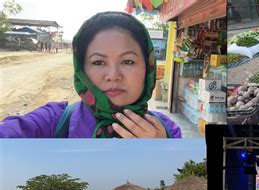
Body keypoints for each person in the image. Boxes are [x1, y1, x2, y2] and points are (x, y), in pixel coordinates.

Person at [0, 12, 181, 138]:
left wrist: (165, 150)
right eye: (98, 62)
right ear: (82, 71)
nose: (113, 75)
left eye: (127, 62)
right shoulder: (53, 121)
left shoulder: (167, 131)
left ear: (147, 69)